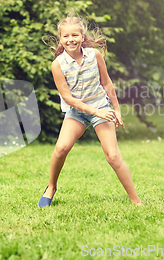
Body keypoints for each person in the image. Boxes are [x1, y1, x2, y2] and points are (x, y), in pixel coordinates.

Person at [38, 13, 141, 208]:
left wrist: (116, 110)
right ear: (60, 39)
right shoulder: (58, 64)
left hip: (101, 106)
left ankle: (136, 201)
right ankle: (51, 187)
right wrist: (95, 112)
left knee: (113, 156)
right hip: (77, 111)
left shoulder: (95, 55)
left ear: (82, 36)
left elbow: (107, 82)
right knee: (61, 148)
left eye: (74, 35)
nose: (70, 40)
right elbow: (68, 98)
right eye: (66, 36)